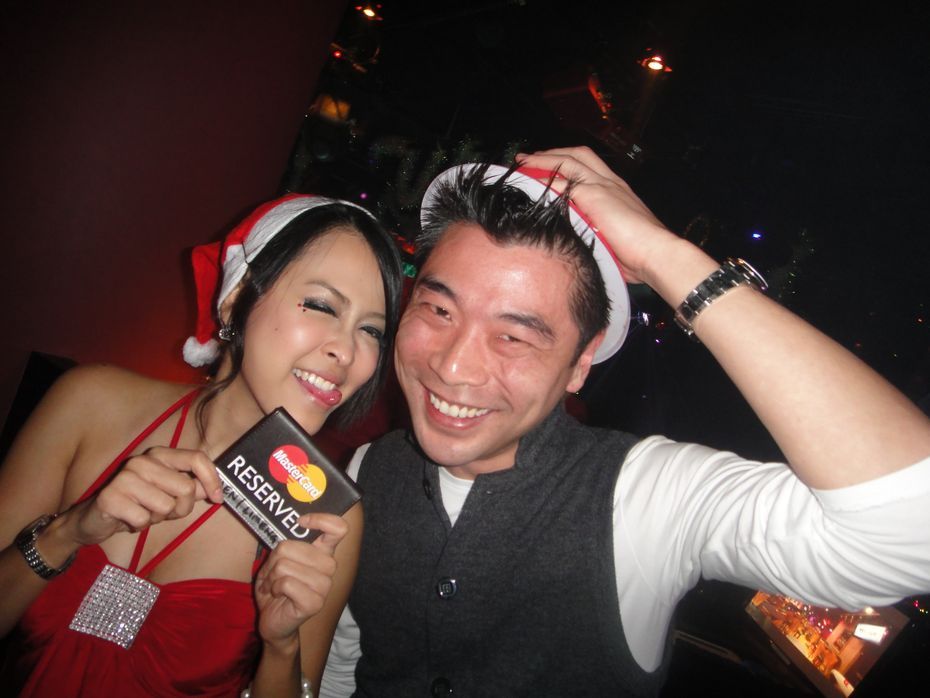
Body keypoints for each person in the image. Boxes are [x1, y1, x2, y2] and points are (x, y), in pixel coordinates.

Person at [320, 147, 930, 697]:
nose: (452, 366)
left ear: (579, 363)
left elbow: (912, 528)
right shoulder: (370, 469)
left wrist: (662, 254)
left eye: (514, 336)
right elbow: (344, 665)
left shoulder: (644, 500)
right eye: (438, 308)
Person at [0, 193, 403, 697]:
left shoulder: (327, 518)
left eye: (371, 330)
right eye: (321, 306)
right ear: (236, 298)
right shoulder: (88, 402)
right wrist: (67, 532)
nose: (346, 351)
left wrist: (281, 647)